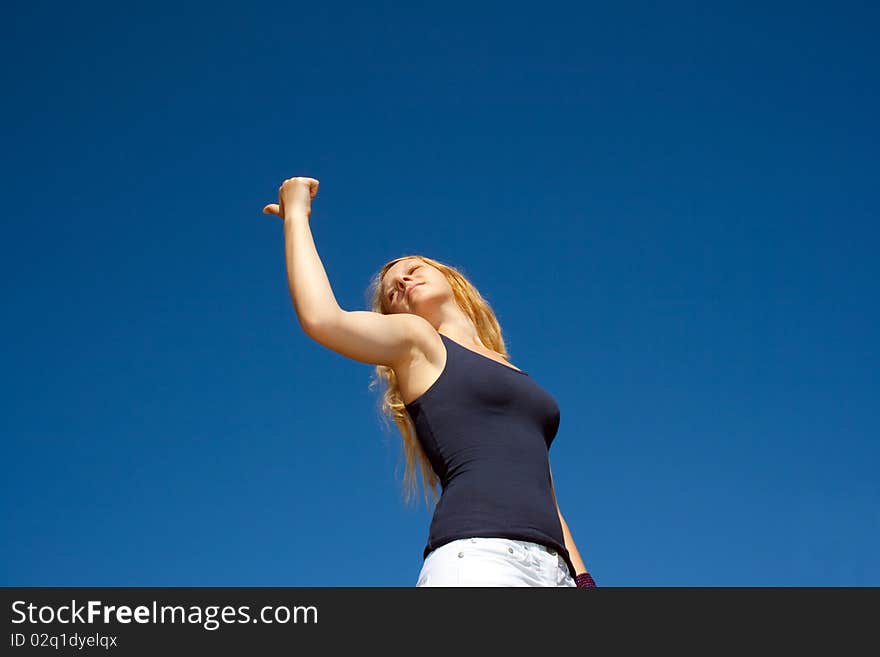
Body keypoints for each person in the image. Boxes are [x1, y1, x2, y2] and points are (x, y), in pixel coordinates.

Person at [263, 176, 597, 588]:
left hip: (554, 571)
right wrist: (296, 214)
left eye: (412, 269)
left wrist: (582, 579)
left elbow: (544, 489)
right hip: (481, 559)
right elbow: (322, 319)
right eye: (391, 294)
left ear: (449, 277)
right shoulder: (420, 344)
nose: (402, 281)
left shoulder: (510, 371)